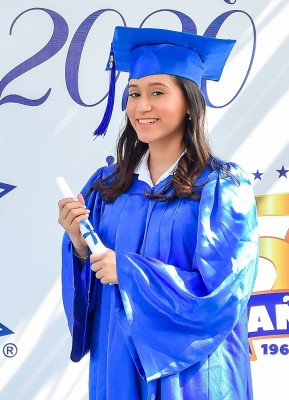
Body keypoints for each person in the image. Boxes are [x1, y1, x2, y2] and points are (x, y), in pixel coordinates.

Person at [58, 26, 259, 400]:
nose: (141, 106)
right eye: (134, 94)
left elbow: (224, 293)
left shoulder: (222, 188)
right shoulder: (107, 187)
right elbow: (94, 282)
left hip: (195, 371)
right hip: (119, 358)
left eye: (157, 93)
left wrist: (131, 274)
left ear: (189, 103)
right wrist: (79, 245)